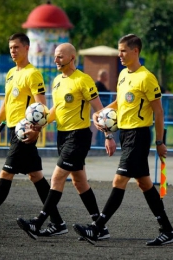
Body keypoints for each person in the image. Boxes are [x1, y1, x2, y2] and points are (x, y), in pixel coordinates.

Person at [72, 34, 173, 246]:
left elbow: (158, 112)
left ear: (135, 51)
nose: (119, 54)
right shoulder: (122, 75)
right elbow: (120, 102)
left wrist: (160, 142)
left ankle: (97, 227)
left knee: (119, 180)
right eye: (119, 50)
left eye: (123, 50)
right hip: (126, 135)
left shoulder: (147, 77)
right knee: (144, 183)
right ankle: (168, 229)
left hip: (139, 135)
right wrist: (101, 113)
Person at [0, 33, 67, 237]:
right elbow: (6, 104)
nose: (12, 51)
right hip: (11, 130)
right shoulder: (10, 73)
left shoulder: (33, 73)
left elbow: (42, 107)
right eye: (10, 47)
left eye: (16, 47)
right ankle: (58, 223)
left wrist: (35, 130)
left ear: (27, 48)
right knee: (36, 176)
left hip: (23, 132)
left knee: (5, 174)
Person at [16, 42, 115, 241]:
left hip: (78, 136)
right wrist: (40, 124)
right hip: (63, 136)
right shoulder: (57, 81)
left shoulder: (84, 80)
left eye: (60, 56)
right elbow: (56, 110)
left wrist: (108, 135)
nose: (56, 60)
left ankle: (39, 222)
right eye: (55, 56)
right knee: (80, 182)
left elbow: (100, 110)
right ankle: (99, 227)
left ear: (72, 58)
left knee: (57, 177)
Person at [91, 69, 110, 145]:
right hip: (99, 109)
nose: (107, 78)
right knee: (100, 124)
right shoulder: (97, 85)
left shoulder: (101, 85)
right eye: (106, 76)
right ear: (103, 76)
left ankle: (100, 141)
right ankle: (99, 142)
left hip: (103, 108)